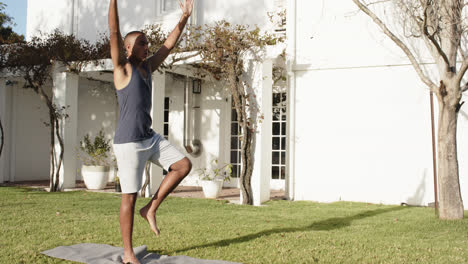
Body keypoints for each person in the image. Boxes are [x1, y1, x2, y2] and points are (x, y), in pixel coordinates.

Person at [108, 0, 194, 263]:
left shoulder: (148, 68)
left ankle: (152, 208)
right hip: (129, 143)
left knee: (183, 165)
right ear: (128, 47)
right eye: (142, 43)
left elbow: (168, 44)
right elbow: (113, 31)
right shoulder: (123, 69)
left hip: (149, 136)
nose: (148, 46)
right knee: (129, 198)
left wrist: (184, 18)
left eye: (147, 43)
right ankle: (127, 253)